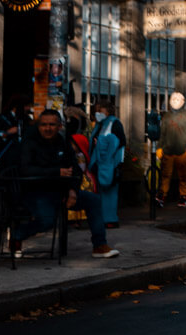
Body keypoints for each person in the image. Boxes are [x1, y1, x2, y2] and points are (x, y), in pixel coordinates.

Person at [14, 109, 119, 258]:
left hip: (61, 191)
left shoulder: (62, 143)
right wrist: (56, 172)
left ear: (59, 126)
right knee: (47, 221)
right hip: (36, 192)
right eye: (44, 125)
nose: (48, 128)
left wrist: (73, 191)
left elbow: (75, 169)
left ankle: (99, 245)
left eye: (52, 124)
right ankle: (17, 235)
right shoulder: (29, 143)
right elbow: (25, 169)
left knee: (93, 200)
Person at [156, 91, 186, 208]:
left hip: (183, 150)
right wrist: (159, 147)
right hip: (168, 150)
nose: (175, 101)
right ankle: (162, 195)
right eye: (173, 99)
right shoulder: (167, 116)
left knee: (183, 175)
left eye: (178, 99)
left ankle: (184, 196)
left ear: (183, 102)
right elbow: (163, 133)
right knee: (165, 174)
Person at [88, 100, 126, 228]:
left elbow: (120, 144)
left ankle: (110, 219)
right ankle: (103, 218)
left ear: (108, 111)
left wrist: (118, 164)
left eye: (100, 110)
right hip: (99, 164)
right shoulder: (100, 125)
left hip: (109, 165)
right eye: (96, 111)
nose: (97, 113)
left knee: (109, 192)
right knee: (101, 192)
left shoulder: (114, 123)